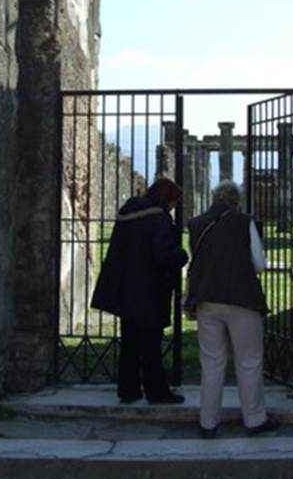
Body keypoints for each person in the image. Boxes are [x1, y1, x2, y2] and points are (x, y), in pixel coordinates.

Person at [185, 180, 280, 438]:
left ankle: (208, 422)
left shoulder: (195, 224)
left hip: (207, 298)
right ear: (236, 200)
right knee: (249, 361)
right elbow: (259, 264)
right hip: (242, 298)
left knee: (212, 362)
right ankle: (254, 418)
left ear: (214, 197)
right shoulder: (243, 221)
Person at [91, 177, 188, 405]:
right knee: (151, 345)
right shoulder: (158, 218)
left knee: (130, 344)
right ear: (167, 198)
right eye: (174, 201)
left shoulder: (129, 212)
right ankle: (157, 392)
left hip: (126, 288)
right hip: (149, 289)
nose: (174, 207)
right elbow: (162, 253)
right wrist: (182, 255)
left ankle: (128, 389)